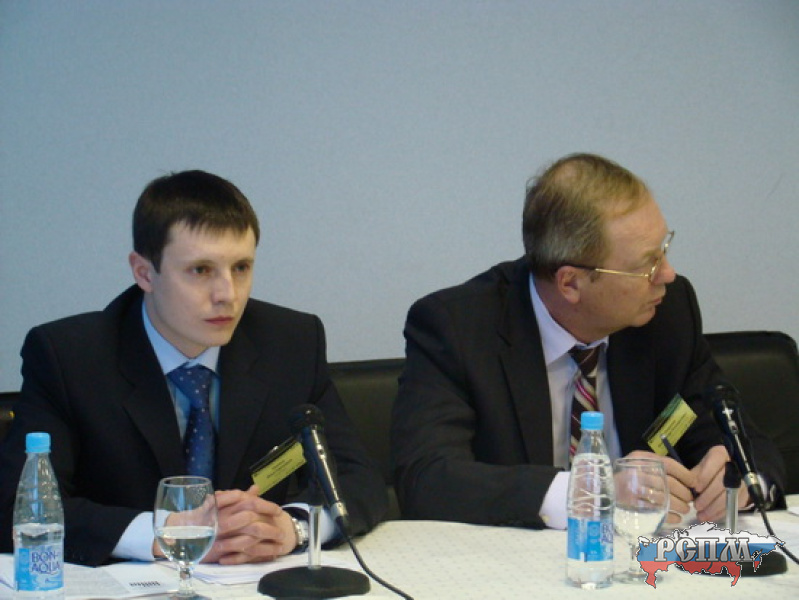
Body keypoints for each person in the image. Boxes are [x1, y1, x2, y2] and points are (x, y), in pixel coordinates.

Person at [0, 170, 387, 566]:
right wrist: (163, 534)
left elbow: (359, 478)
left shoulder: (291, 343)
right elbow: (16, 506)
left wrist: (294, 528)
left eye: (241, 267)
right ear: (144, 273)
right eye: (201, 270)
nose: (227, 295)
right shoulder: (70, 357)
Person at [391, 152, 784, 530]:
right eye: (646, 264)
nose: (667, 274)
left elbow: (730, 432)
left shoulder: (667, 314)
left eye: (663, 250)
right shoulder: (457, 328)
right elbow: (428, 478)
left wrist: (741, 477)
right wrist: (590, 491)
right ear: (571, 283)